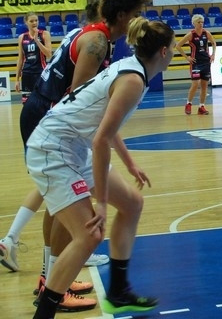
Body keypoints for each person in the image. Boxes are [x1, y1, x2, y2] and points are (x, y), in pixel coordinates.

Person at [0, 0, 149, 312]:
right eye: (137, 14)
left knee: (59, 203)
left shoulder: (94, 35)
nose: (141, 20)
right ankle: (49, 281)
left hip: (50, 116)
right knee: (66, 201)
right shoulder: (96, 42)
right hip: (50, 119)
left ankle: (51, 277)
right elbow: (79, 98)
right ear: (122, 15)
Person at [27, 17, 173, 318]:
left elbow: (105, 124)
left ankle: (118, 293)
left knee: (132, 203)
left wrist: (130, 163)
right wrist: (103, 203)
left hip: (72, 145)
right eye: (173, 47)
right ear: (162, 51)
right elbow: (100, 141)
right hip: (53, 148)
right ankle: (44, 313)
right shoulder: (133, 79)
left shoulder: (132, 69)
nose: (175, 52)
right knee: (89, 235)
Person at [177, 14, 217, 115]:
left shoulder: (206, 33)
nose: (201, 24)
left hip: (206, 62)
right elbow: (178, 46)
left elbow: (214, 43)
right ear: (194, 23)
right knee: (195, 84)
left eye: (202, 22)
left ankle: (201, 107)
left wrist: (213, 55)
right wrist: (187, 57)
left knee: (204, 86)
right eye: (199, 22)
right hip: (196, 63)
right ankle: (188, 104)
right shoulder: (191, 34)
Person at [15, 12, 52, 103]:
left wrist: (37, 41)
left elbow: (49, 54)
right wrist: (17, 79)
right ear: (26, 22)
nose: (34, 23)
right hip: (27, 73)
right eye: (31, 21)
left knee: (41, 102)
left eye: (36, 20)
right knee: (27, 103)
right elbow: (20, 59)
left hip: (40, 72)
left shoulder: (44, 34)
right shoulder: (22, 37)